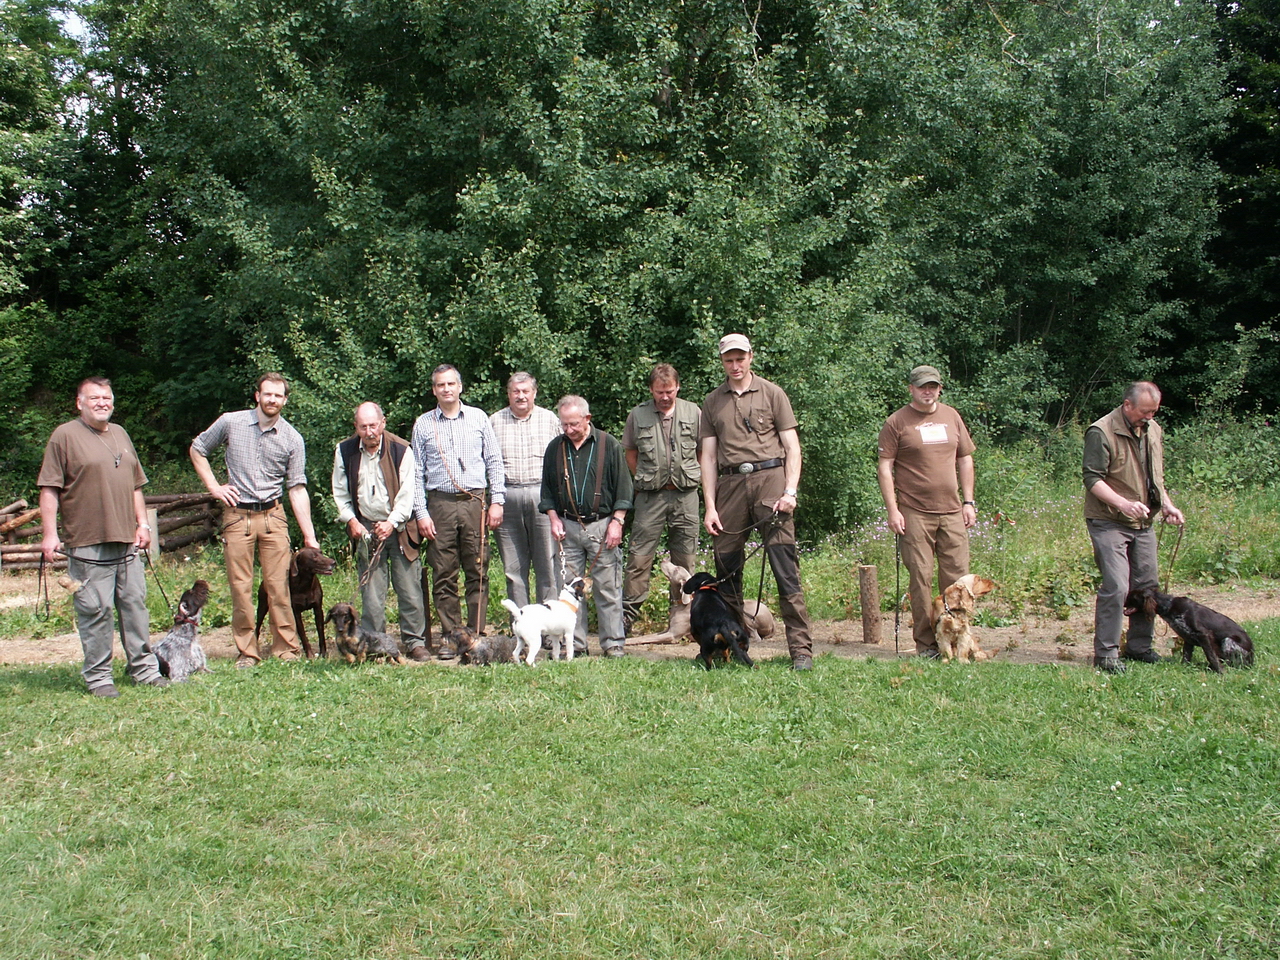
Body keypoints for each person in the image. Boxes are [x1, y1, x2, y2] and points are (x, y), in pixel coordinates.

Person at [38, 378, 169, 696]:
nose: (101, 402)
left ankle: (143, 669)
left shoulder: (121, 433)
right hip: (86, 540)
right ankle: (99, 678)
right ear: (79, 402)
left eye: (106, 397)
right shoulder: (64, 436)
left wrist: (143, 525)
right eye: (93, 397)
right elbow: (49, 489)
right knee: (95, 610)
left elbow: (136, 485)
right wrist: (49, 535)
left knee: (135, 605)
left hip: (126, 539)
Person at [699, 333, 814, 670]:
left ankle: (801, 651)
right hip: (730, 485)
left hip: (770, 481)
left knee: (785, 570)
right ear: (722, 361)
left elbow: (792, 448)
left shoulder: (773, 393)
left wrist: (790, 491)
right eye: (728, 360)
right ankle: (736, 643)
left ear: (751, 357)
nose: (734, 365)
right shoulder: (712, 401)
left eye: (740, 358)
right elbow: (707, 457)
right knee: (727, 571)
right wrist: (710, 505)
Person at [190, 372, 320, 667]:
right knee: (241, 586)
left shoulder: (292, 439)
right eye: (267, 394)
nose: (272, 399)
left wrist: (309, 536)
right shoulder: (230, 422)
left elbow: (297, 488)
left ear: (285, 400)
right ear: (257, 396)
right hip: (238, 516)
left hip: (274, 515)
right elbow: (198, 450)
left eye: (278, 395)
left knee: (279, 585)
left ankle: (286, 649)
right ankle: (247, 651)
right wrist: (214, 487)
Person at [876, 365, 977, 659]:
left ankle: (958, 640)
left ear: (939, 388)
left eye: (933, 386)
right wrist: (893, 510)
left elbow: (966, 459)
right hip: (914, 512)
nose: (928, 391)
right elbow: (885, 468)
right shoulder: (896, 422)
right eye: (922, 386)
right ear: (911, 389)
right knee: (920, 578)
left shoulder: (951, 416)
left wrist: (968, 502)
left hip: (952, 510)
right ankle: (927, 644)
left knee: (958, 581)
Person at [1083, 381, 1184, 673]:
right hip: (1108, 521)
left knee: (1146, 588)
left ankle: (1139, 648)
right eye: (1145, 412)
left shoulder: (1153, 430)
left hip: (1144, 522)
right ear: (1127, 405)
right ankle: (1106, 656)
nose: (1149, 417)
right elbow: (1092, 480)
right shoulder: (1100, 431)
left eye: (1154, 412)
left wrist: (1166, 504)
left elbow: (1155, 477)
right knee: (1117, 586)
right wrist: (1123, 504)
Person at [411, 364, 505, 641]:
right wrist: (421, 513)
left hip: (474, 502)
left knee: (477, 568)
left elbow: (494, 461)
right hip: (439, 504)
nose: (446, 389)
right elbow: (416, 472)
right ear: (434, 390)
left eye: (451, 384)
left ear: (460, 387)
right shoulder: (423, 423)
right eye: (441, 385)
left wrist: (497, 501)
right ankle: (452, 635)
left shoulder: (478, 418)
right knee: (443, 572)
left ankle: (475, 634)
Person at [332, 402, 430, 662]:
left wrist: (392, 522)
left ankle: (414, 642)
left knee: (409, 589)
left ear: (383, 423)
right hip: (365, 528)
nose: (369, 431)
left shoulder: (401, 449)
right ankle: (373, 643)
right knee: (371, 594)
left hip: (399, 528)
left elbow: (408, 494)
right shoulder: (345, 451)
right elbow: (340, 493)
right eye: (363, 427)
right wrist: (351, 520)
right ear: (356, 427)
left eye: (373, 425)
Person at [539, 395, 634, 657]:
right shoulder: (554, 448)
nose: (569, 430)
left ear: (587, 419)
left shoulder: (608, 444)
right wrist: (553, 518)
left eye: (574, 424)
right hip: (567, 526)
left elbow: (624, 487)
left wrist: (617, 521)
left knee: (608, 588)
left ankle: (613, 644)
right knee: (568, 592)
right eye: (564, 425)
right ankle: (576, 645)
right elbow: (546, 490)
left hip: (602, 526)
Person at [621, 363, 702, 631]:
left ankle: (684, 618)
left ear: (677, 387)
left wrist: (693, 474)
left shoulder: (694, 412)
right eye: (659, 392)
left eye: (669, 391)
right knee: (639, 557)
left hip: (686, 495)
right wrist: (645, 477)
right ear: (651, 390)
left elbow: (704, 451)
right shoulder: (638, 415)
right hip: (650, 498)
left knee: (685, 559)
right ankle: (627, 616)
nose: (665, 397)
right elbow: (630, 452)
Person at [489, 372, 562, 608]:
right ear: (508, 394)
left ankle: (549, 627)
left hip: (542, 496)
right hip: (506, 497)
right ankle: (521, 627)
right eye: (515, 392)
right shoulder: (494, 421)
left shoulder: (549, 419)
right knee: (513, 567)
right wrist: (493, 501)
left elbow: (562, 460)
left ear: (534, 393)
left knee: (547, 564)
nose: (521, 396)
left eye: (525, 391)